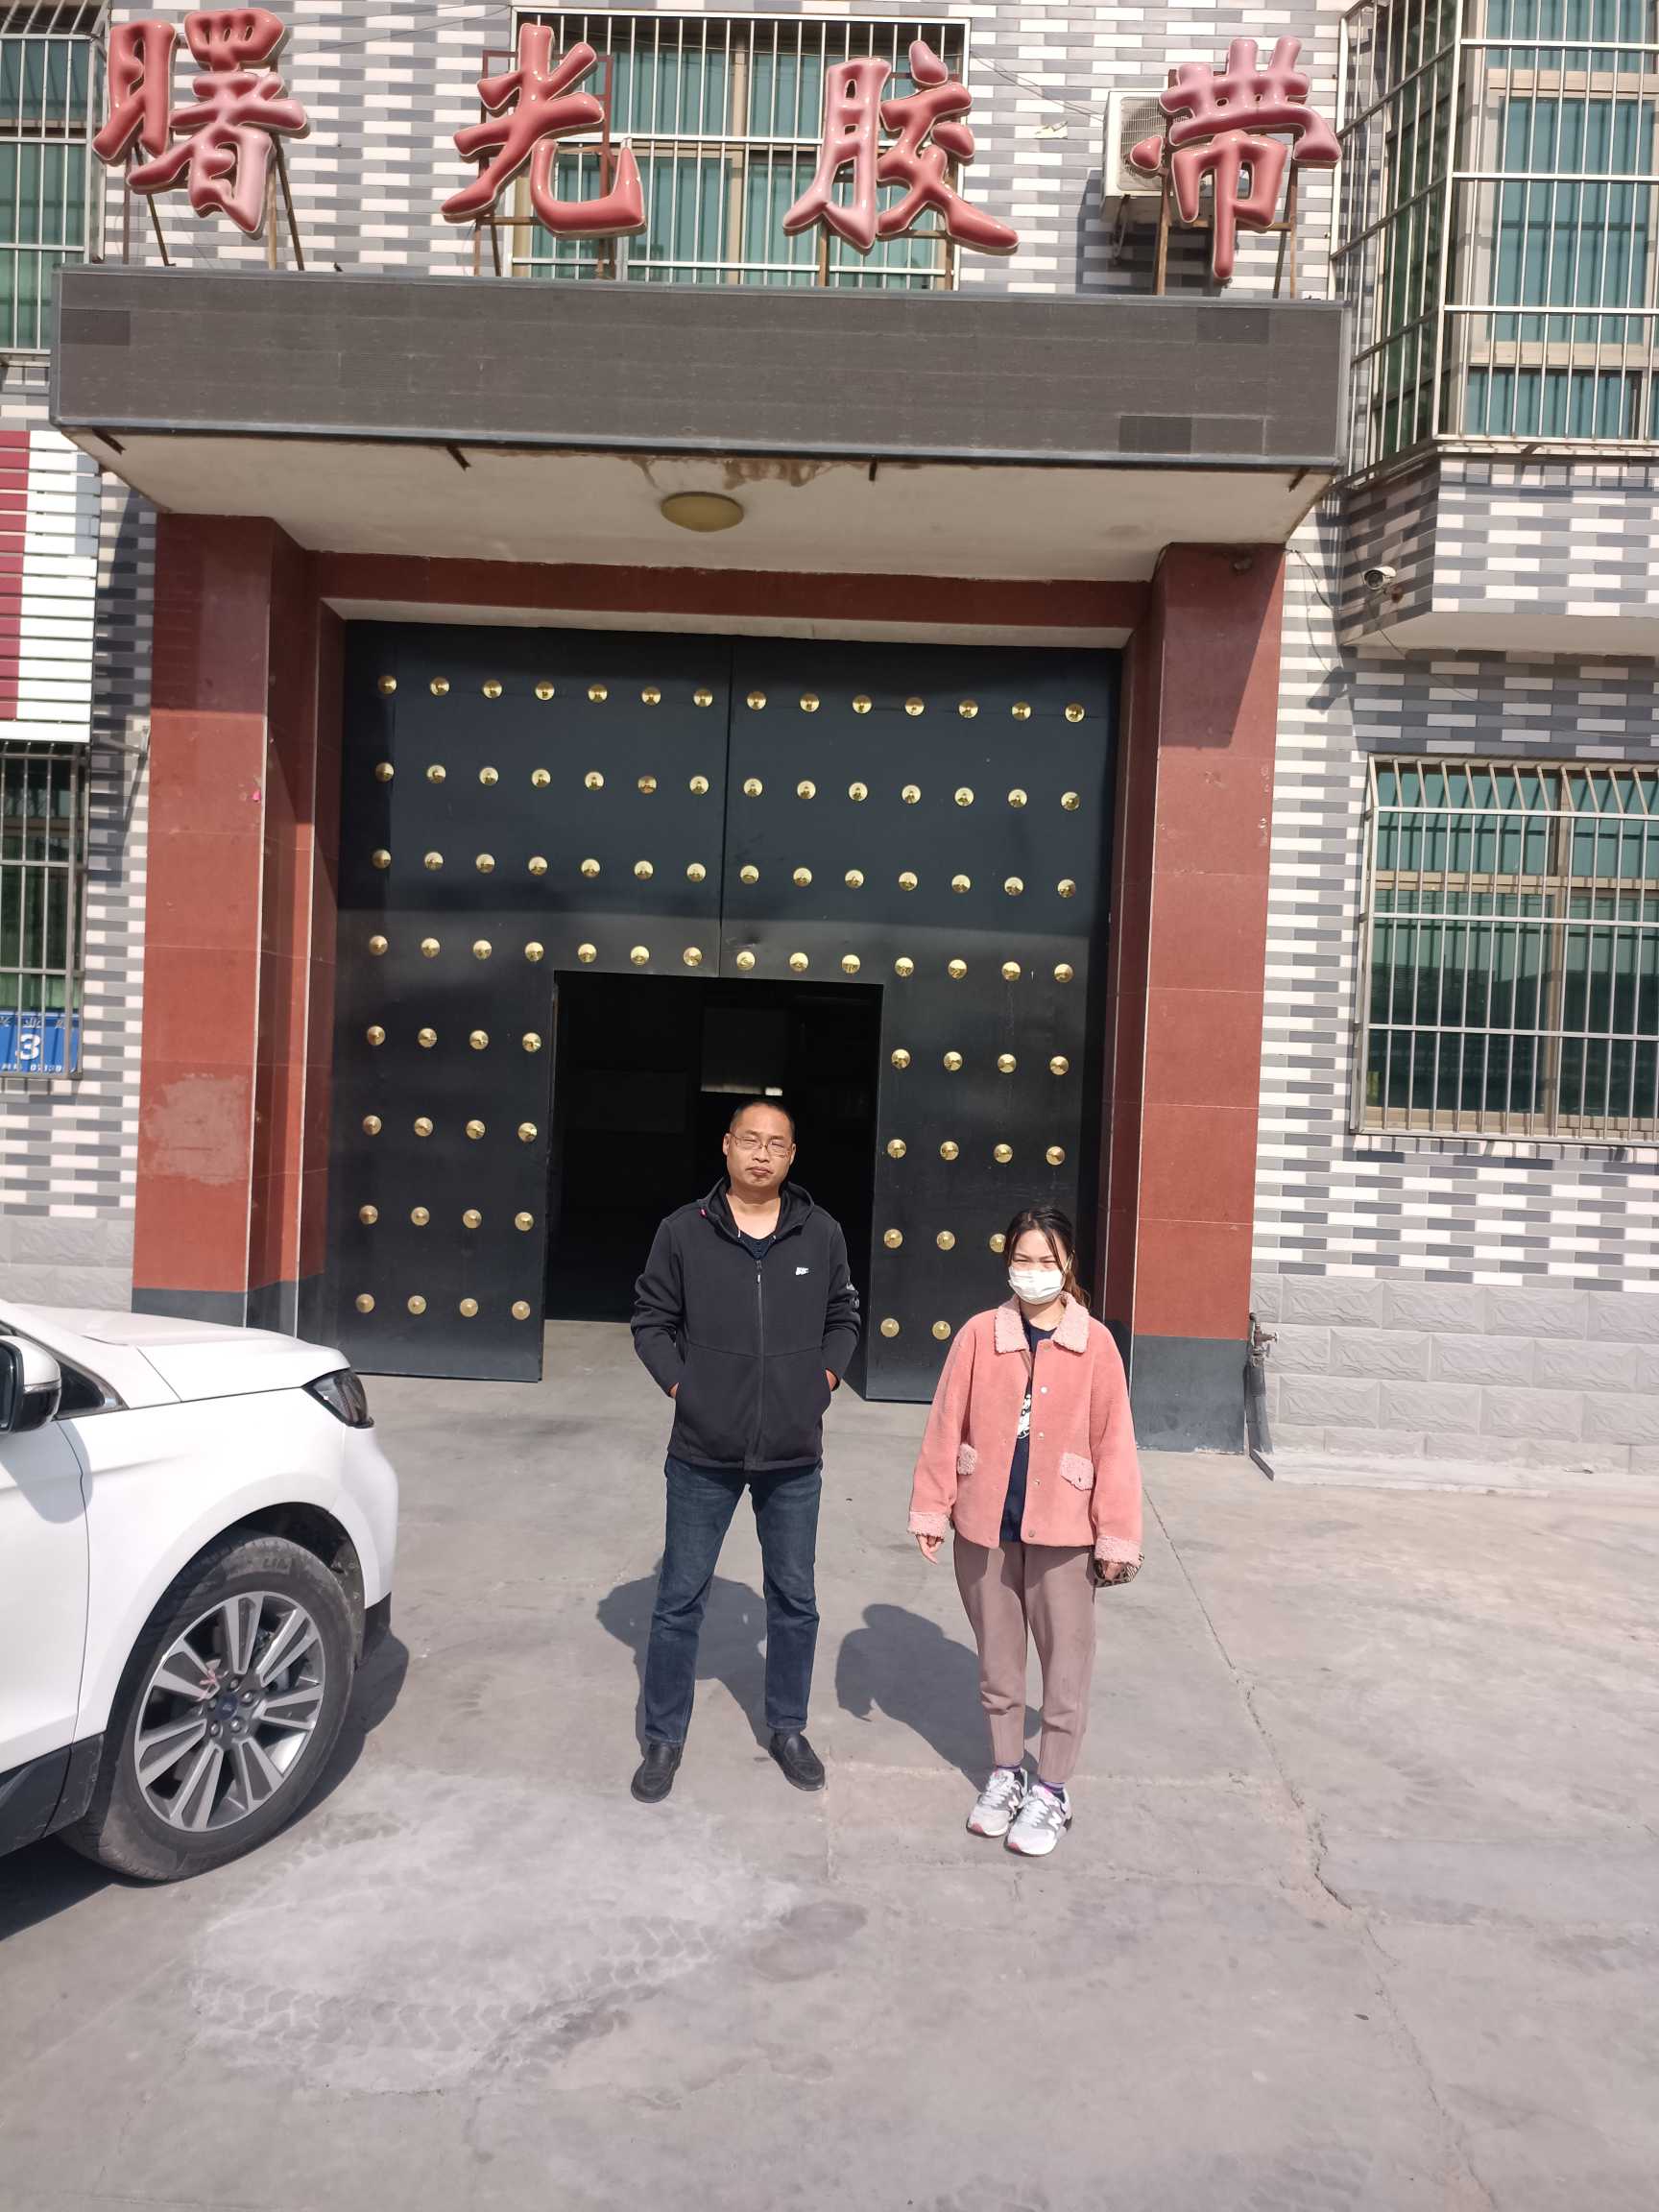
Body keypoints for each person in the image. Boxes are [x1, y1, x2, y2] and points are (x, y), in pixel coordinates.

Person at [629, 1098, 861, 1804]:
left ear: (792, 1156)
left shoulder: (820, 1233)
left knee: (794, 1598)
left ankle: (788, 1727)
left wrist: (820, 1384)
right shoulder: (683, 1231)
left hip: (792, 1454)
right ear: (727, 1146)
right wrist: (686, 1389)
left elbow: (844, 1316)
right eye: (750, 1140)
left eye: (776, 1144)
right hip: (703, 1450)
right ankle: (663, 1737)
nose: (762, 1154)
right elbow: (651, 1320)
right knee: (679, 1599)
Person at [907, 1208, 1141, 1857]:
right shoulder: (979, 1336)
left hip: (1065, 1531)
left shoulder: (1095, 1344)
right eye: (1023, 1260)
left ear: (1067, 1266)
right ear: (1007, 1262)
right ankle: (1007, 1772)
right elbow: (945, 1423)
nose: (1033, 1272)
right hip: (987, 1527)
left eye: (1046, 1261)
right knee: (998, 1662)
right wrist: (932, 1506)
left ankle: (1053, 1789)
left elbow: (1116, 1444)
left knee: (1066, 1665)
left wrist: (1116, 1535)